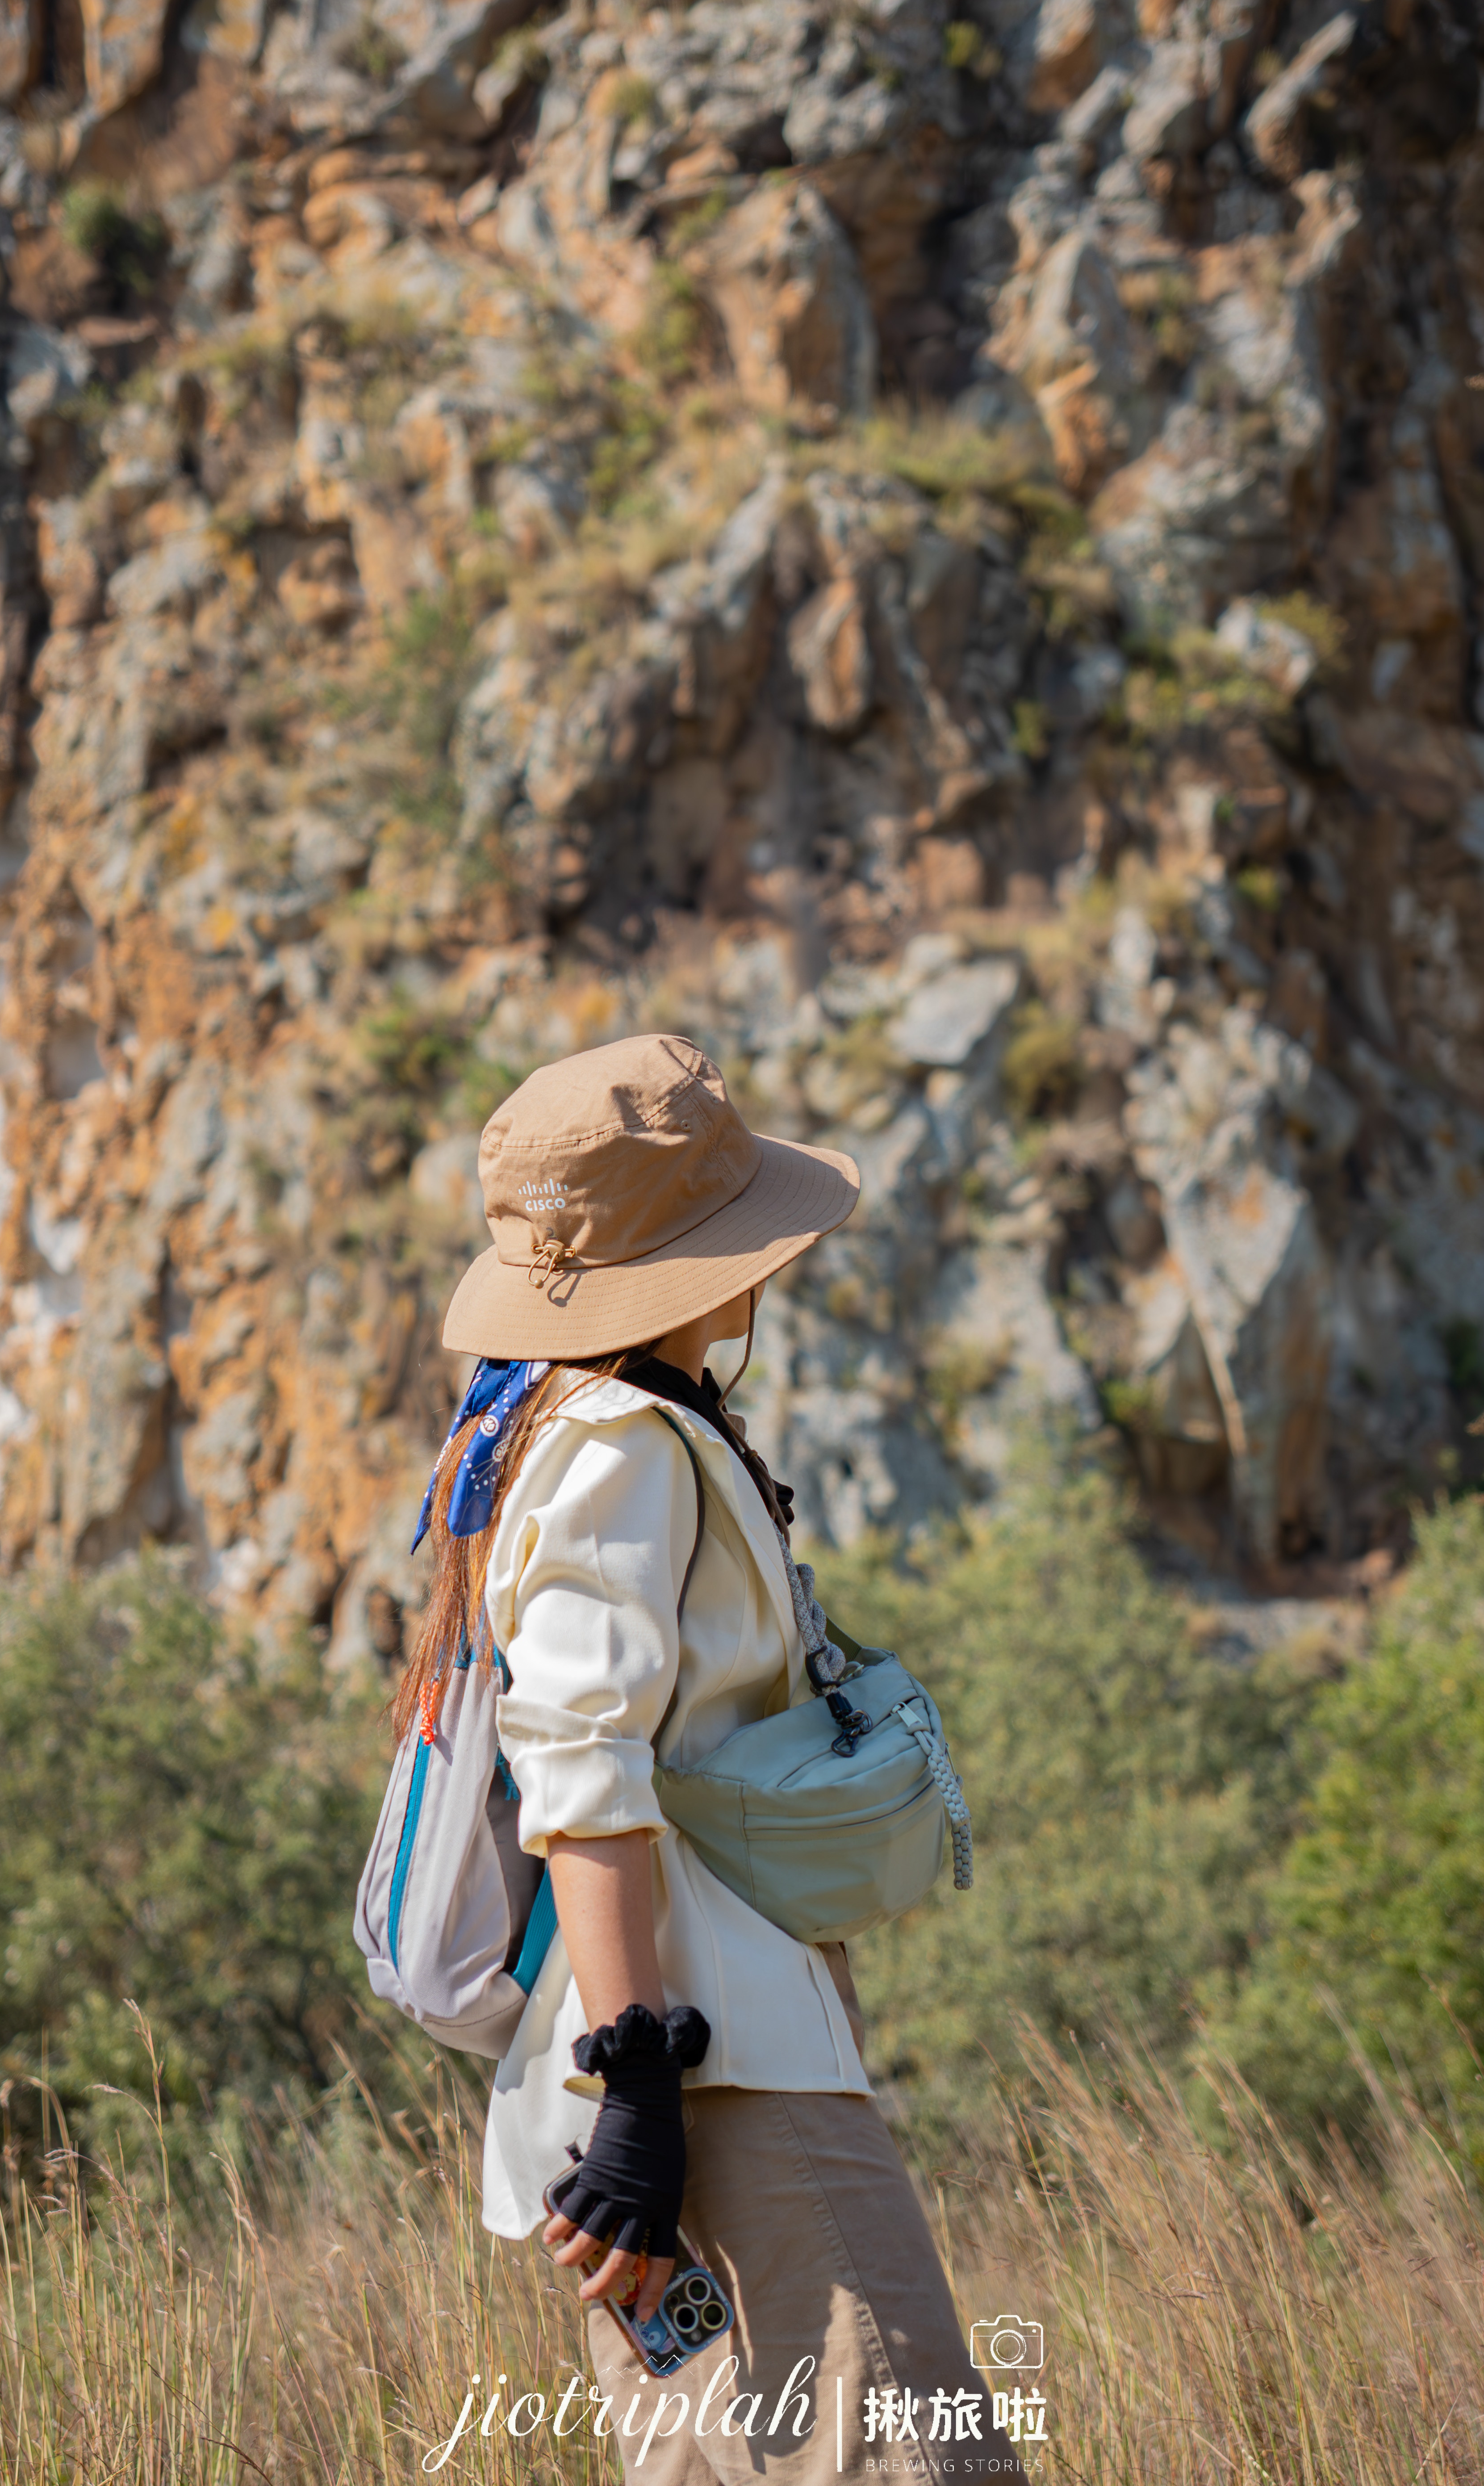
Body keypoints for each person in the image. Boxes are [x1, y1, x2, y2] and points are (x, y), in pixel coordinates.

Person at [394, 1034, 1002, 2482]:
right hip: (716, 2071)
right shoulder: (622, 1445)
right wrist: (642, 2095)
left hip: (691, 2068)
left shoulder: (570, 1423)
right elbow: (581, 1769)